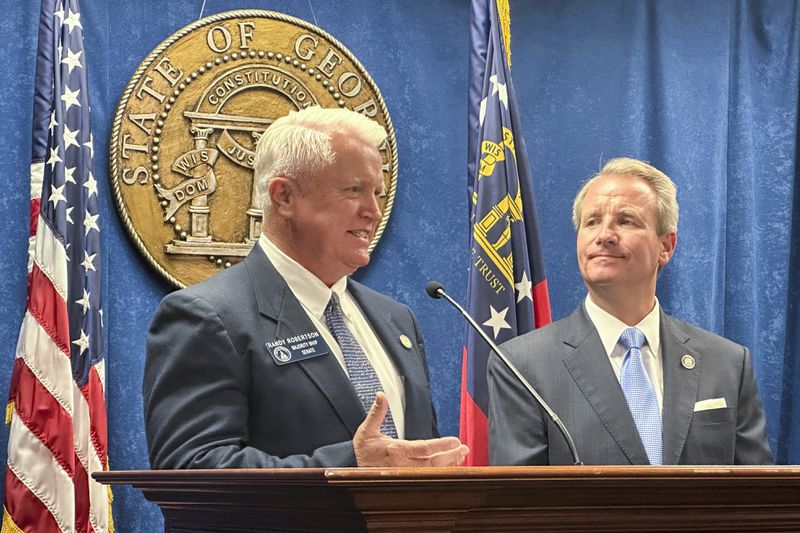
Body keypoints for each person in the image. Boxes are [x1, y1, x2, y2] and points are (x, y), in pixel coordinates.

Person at [143, 106, 468, 469]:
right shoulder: (207, 317)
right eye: (354, 190)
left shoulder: (396, 320)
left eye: (377, 192)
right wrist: (352, 464)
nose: (373, 211)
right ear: (284, 196)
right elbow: (191, 467)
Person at [488, 157, 773, 465]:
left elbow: (755, 499)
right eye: (592, 221)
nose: (605, 235)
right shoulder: (521, 366)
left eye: (626, 221)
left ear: (666, 246)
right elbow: (521, 505)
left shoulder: (728, 363)